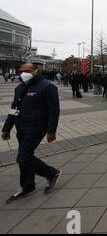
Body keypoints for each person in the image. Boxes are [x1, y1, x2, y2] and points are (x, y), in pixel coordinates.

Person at [1, 63, 62, 203]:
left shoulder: (47, 87)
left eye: (27, 71)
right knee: (25, 158)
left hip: (37, 128)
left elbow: (54, 110)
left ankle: (52, 173)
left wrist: (51, 130)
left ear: (36, 71)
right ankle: (27, 186)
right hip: (21, 128)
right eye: (21, 71)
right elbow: (13, 110)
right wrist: (6, 128)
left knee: (23, 158)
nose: (23, 73)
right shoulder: (20, 87)